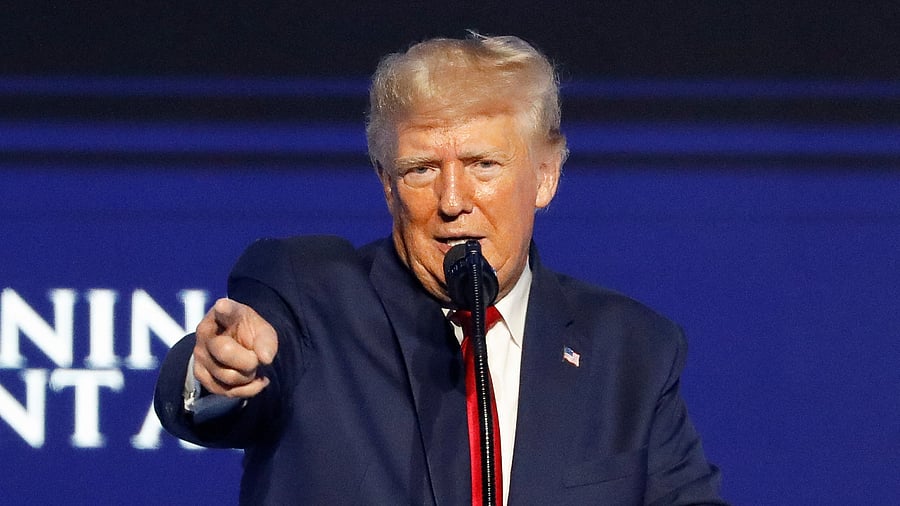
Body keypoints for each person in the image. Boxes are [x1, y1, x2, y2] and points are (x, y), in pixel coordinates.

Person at [155, 33, 726, 505]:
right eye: (422, 169)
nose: (452, 199)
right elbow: (218, 391)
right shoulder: (311, 297)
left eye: (483, 164)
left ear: (546, 174)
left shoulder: (631, 351)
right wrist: (218, 374)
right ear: (386, 186)